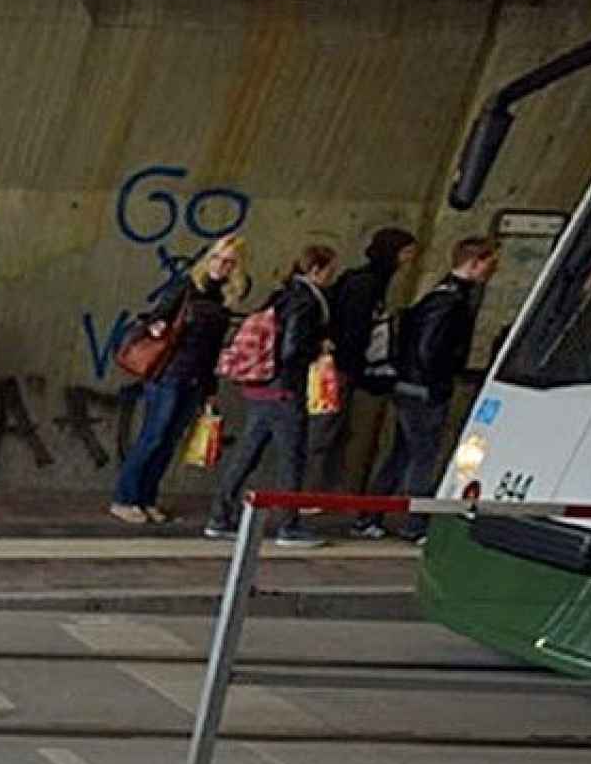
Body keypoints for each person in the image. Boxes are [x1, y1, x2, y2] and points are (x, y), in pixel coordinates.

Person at [355, 236, 501, 544]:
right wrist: (438, 380)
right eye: (490, 263)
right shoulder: (451, 302)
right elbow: (429, 349)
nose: (494, 269)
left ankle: (370, 515)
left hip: (408, 385)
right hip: (425, 389)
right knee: (423, 457)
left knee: (400, 454)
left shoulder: (438, 294)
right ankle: (414, 523)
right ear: (474, 262)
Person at [204, 244, 339, 548]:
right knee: (292, 457)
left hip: (259, 387)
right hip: (284, 389)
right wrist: (319, 349)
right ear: (316, 270)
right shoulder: (306, 301)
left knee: (247, 452)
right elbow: (291, 349)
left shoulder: (281, 294)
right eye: (330, 269)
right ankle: (289, 525)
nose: (333, 275)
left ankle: (220, 516)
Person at [109, 235, 248, 524]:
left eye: (228, 262)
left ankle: (146, 498)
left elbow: (214, 349)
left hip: (195, 378)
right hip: (169, 373)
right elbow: (154, 317)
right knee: (153, 436)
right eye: (217, 258)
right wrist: (157, 326)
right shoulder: (186, 287)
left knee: (169, 441)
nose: (221, 266)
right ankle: (125, 497)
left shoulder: (225, 299)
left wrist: (210, 389)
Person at [310, 227, 418, 492]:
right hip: (342, 368)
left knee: (332, 433)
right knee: (324, 433)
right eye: (405, 253)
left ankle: (316, 491)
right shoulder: (367, 284)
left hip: (343, 366)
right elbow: (354, 331)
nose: (408, 260)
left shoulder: (364, 281)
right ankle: (308, 493)